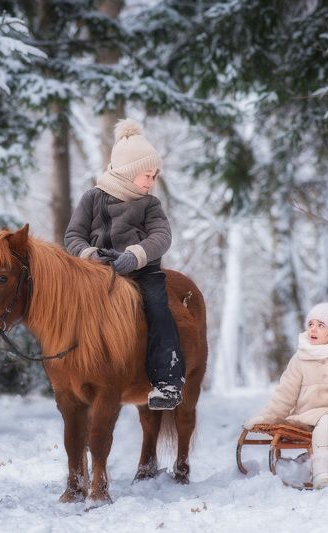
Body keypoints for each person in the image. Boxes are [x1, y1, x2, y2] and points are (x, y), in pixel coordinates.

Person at [64, 118, 185, 410]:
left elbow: (162, 236)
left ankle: (167, 382)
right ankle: (71, 371)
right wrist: (90, 255)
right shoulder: (93, 198)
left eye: (155, 175)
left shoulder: (150, 205)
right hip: (98, 274)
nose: (151, 182)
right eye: (147, 175)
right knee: (69, 310)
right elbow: (73, 236)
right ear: (127, 172)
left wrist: (136, 255)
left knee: (159, 311)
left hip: (143, 273)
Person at [244, 303, 328, 490]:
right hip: (312, 413)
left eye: (321, 325)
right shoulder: (301, 358)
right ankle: (322, 472)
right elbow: (285, 393)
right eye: (310, 324)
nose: (313, 329)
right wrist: (267, 417)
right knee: (326, 422)